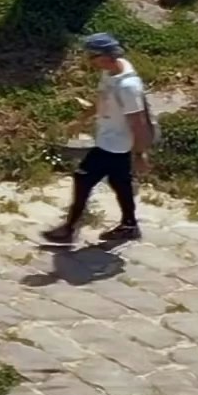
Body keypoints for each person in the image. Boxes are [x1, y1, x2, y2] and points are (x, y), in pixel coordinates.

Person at [42, 32, 152, 247]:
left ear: (104, 57)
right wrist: (81, 120)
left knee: (82, 178)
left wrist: (140, 154)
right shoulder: (110, 72)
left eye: (91, 56)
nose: (88, 60)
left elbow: (137, 122)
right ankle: (129, 225)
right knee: (120, 183)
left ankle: (69, 229)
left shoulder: (128, 87)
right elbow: (102, 99)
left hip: (114, 145)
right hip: (109, 140)